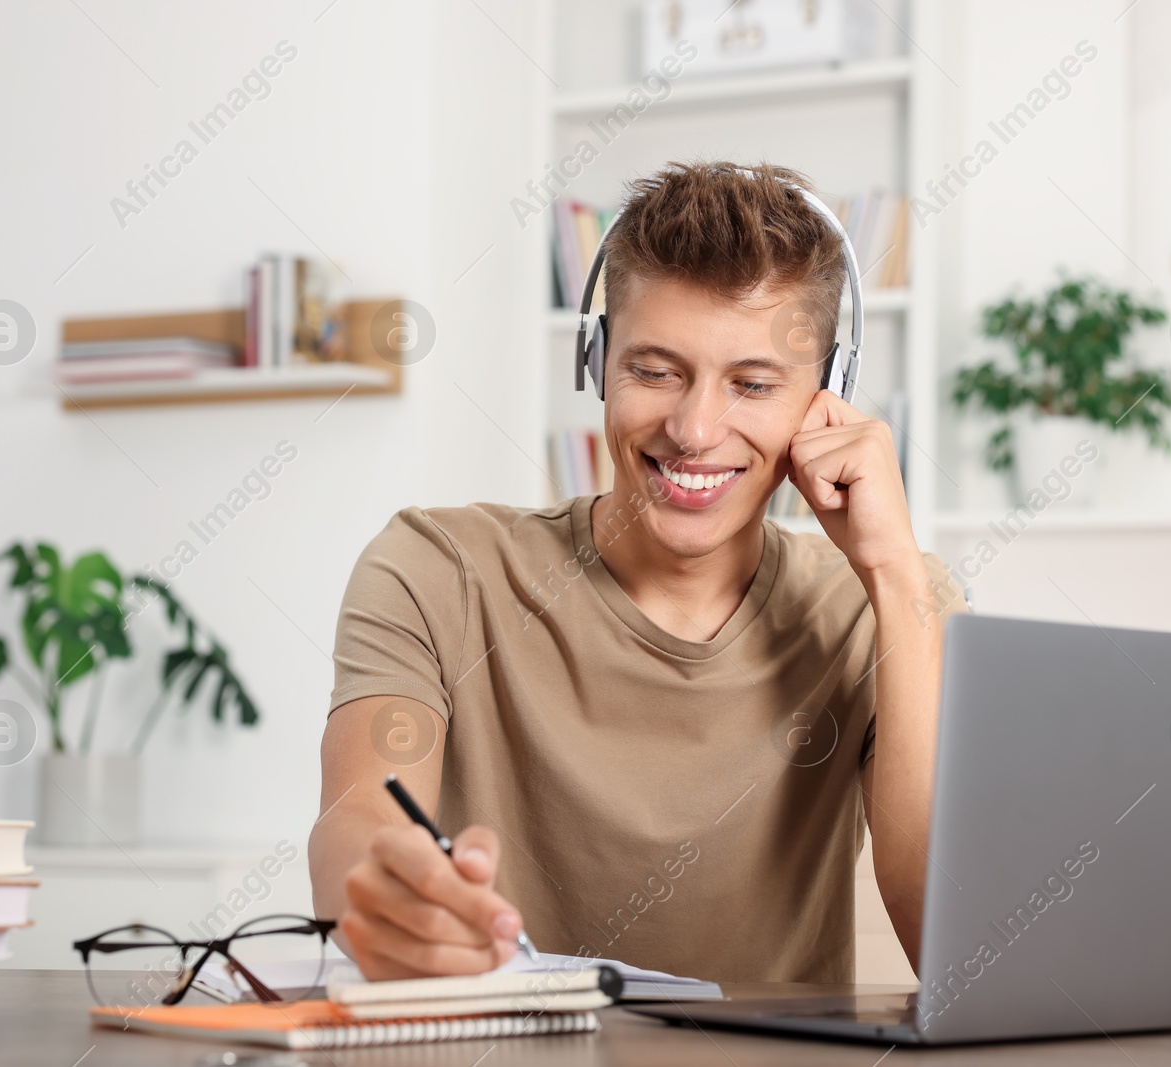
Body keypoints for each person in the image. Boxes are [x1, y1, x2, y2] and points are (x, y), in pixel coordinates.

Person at [310, 160, 964, 984]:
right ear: (596, 361)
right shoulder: (437, 570)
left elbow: (949, 942)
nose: (693, 428)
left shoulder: (887, 605)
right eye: (654, 371)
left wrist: (896, 572)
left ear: (828, 395)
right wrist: (386, 893)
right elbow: (360, 813)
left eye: (753, 383)